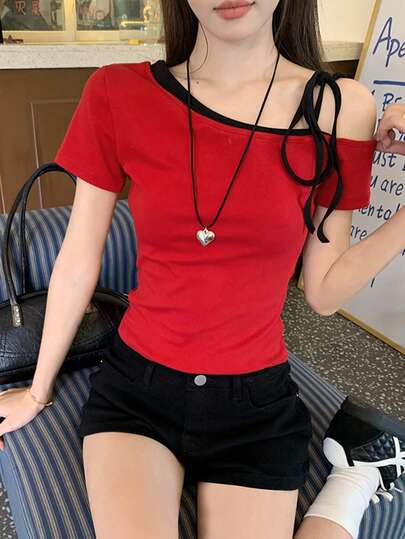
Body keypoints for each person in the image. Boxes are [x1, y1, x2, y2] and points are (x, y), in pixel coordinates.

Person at [0, 1, 404, 538]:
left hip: (255, 405)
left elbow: (324, 292)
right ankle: (355, 478)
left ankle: (352, 478)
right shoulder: (117, 92)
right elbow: (78, 257)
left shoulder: (339, 108)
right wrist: (37, 389)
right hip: (138, 390)